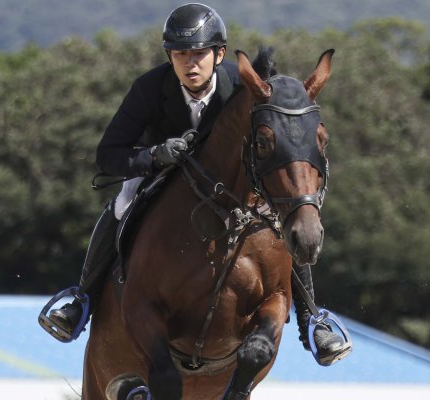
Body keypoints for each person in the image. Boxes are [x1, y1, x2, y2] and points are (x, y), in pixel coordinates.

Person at [38, 3, 350, 366]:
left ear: (218, 54)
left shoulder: (240, 85)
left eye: (200, 53)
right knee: (121, 204)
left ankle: (311, 320)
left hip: (228, 179)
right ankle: (83, 299)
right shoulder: (150, 88)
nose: (191, 63)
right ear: (170, 56)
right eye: (181, 54)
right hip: (161, 173)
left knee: (285, 216)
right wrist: (154, 155)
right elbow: (109, 154)